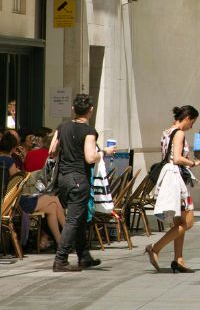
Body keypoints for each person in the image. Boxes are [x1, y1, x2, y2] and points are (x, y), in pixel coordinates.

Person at [47, 93, 116, 271]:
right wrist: (105, 152)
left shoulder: (62, 127)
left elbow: (52, 152)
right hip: (79, 178)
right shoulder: (89, 131)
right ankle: (60, 259)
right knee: (73, 220)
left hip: (63, 179)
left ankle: (83, 255)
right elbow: (90, 157)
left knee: (81, 216)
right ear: (90, 111)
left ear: (72, 109)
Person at [146, 105, 200, 273]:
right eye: (192, 122)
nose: (192, 126)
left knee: (179, 222)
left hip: (169, 177)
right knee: (188, 222)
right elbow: (178, 158)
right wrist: (194, 163)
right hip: (176, 180)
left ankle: (178, 259)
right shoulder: (180, 133)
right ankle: (155, 248)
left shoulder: (166, 132)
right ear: (187, 118)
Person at [2, 131, 65, 250]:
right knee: (55, 199)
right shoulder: (10, 162)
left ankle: (61, 243)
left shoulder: (5, 159)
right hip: (14, 203)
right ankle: (69, 237)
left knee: (52, 208)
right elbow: (17, 185)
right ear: (15, 147)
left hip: (7, 202)